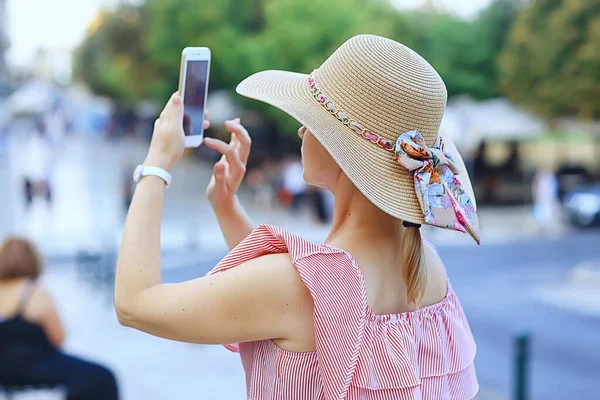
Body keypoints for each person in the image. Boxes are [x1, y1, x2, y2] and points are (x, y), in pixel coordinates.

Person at [114, 35, 481, 399]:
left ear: (341, 150)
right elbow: (307, 298)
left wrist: (156, 166)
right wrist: (226, 206)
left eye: (314, 121)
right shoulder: (428, 271)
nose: (302, 130)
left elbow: (135, 304)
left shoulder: (297, 285)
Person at [0, 238, 119, 400]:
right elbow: (58, 338)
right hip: (36, 370)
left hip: (4, 374)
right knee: (103, 378)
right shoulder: (34, 293)